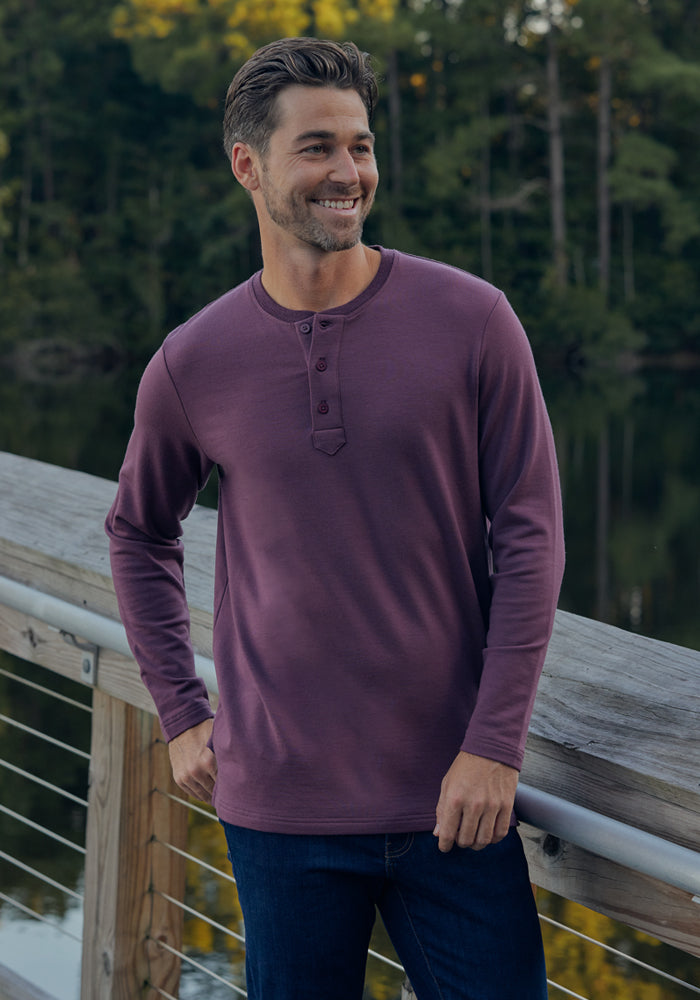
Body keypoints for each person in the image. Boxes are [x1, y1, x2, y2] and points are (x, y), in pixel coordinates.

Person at [106, 36, 565, 1000]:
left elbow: (529, 539)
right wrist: (183, 712)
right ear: (250, 166)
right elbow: (139, 532)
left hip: (458, 799)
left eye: (359, 145)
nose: (347, 172)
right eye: (316, 147)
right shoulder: (194, 362)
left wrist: (494, 746)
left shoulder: (474, 321)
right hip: (279, 809)